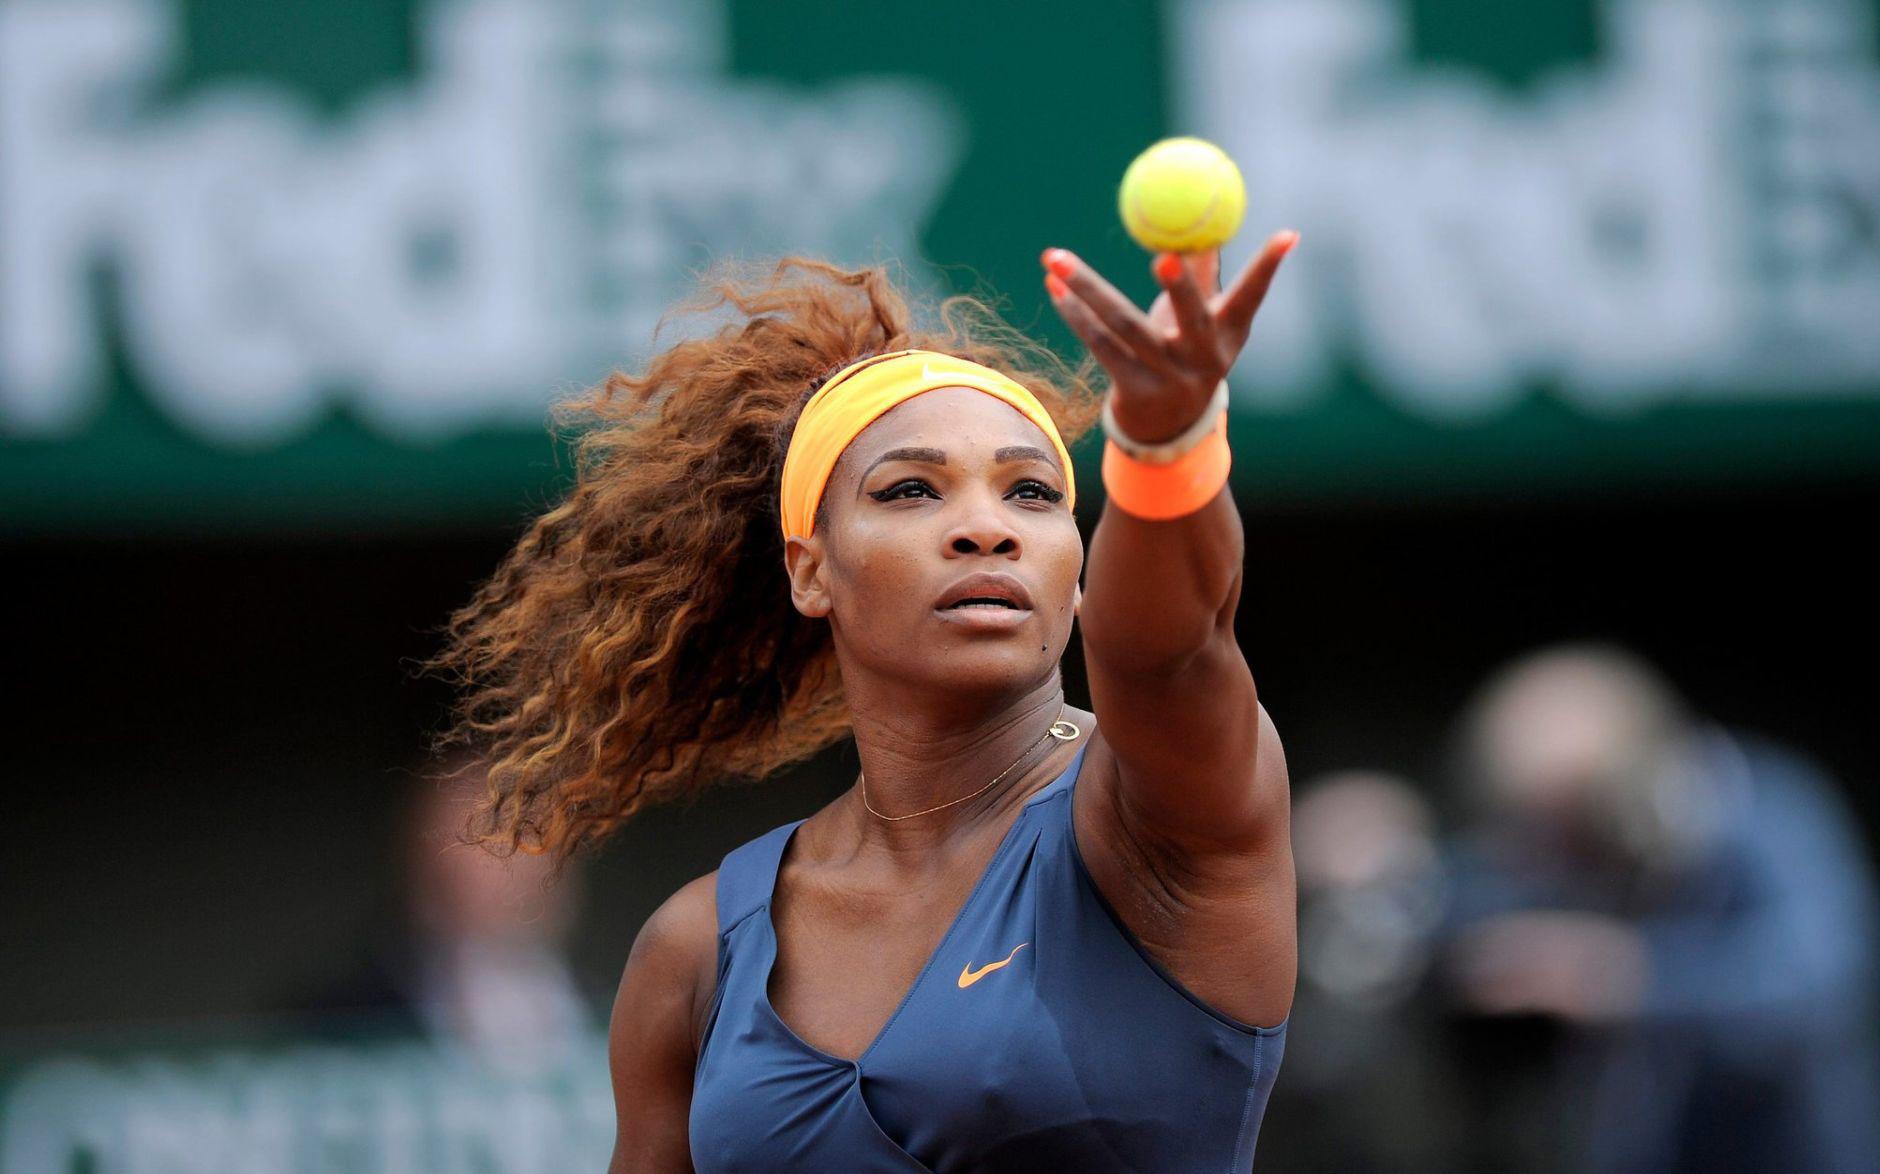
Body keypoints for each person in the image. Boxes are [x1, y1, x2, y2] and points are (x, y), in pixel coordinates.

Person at [430, 231, 1302, 1172]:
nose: (986, 528)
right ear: (811, 570)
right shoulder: (697, 950)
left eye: (1032, 493)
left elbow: (1167, 651)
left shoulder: (1161, 816)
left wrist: (1165, 448)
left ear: (1082, 567)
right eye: (913, 490)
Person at [1442, 643, 1880, 1174]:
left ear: (1646, 786)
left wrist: (1629, 974)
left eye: (1571, 834)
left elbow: (1820, 983)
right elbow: (1472, 900)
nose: (1559, 866)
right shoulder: (1593, 861)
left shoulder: (1770, 812)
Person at [290, 752, 598, 1076]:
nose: (528, 863)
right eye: (492, 839)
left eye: (537, 833)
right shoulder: (339, 1029)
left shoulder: (607, 1012)